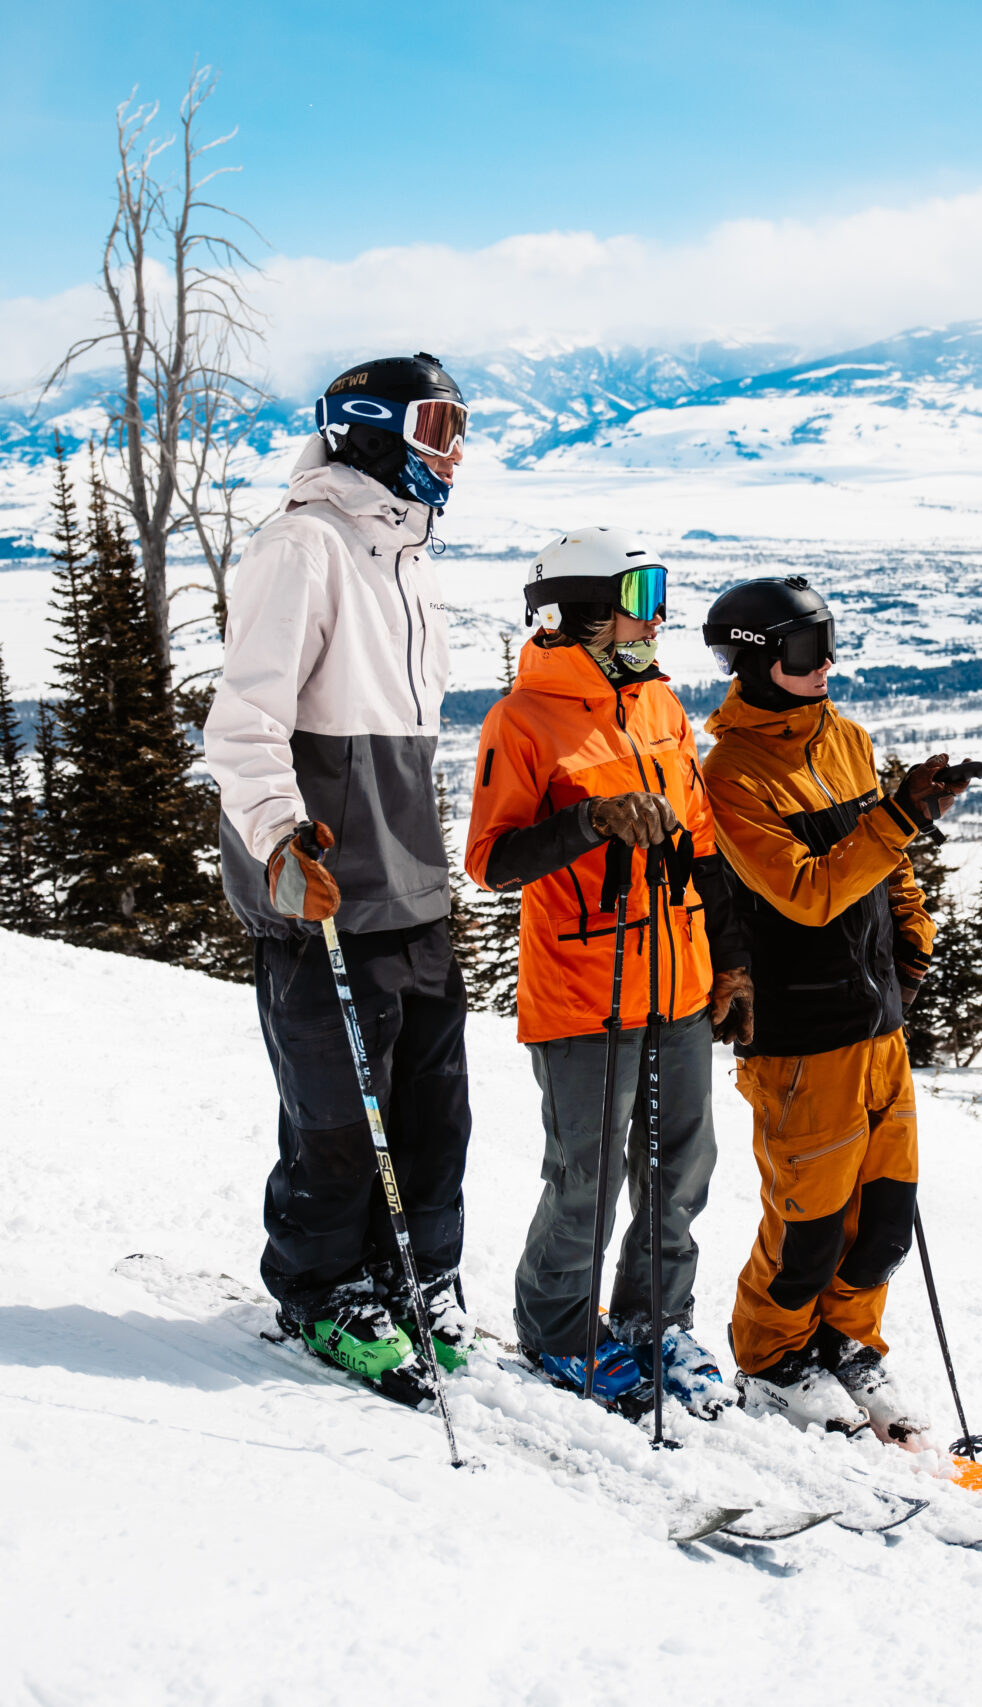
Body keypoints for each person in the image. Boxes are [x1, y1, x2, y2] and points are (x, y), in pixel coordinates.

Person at [205, 352, 474, 1399]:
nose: (454, 453)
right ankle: (324, 1291)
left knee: (432, 1111)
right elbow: (244, 722)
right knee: (338, 1117)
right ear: (376, 426)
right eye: (438, 427)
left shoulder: (406, 559)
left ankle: (418, 1276)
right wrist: (279, 838)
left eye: (458, 430)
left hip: (409, 884)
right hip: (321, 887)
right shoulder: (304, 546)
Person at [465, 528, 755, 1414]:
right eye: (638, 598)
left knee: (680, 1170)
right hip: (584, 989)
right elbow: (491, 860)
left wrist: (732, 964)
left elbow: (702, 845)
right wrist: (590, 822)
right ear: (583, 610)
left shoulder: (660, 705)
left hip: (678, 980)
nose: (656, 617)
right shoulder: (522, 719)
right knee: (585, 1179)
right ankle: (558, 1332)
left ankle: (652, 1320)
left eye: (657, 593)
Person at [697, 576, 966, 1441]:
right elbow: (808, 892)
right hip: (802, 1036)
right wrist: (898, 816)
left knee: (883, 1220)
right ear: (755, 660)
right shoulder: (732, 774)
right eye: (807, 650)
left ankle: (846, 1344)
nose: (826, 665)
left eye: (830, 643)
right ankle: (774, 1360)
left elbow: (888, 864)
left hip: (876, 1023)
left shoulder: (846, 738)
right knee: (807, 1228)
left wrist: (912, 935)